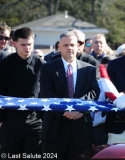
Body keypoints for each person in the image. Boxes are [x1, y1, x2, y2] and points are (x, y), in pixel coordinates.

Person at [40, 31, 100, 160]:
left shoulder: (89, 69)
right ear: (59, 46)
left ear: (78, 46)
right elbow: (46, 93)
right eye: (65, 45)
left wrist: (77, 107)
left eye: (72, 44)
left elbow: (94, 92)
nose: (69, 48)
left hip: (80, 130)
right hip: (54, 129)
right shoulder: (47, 68)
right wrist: (66, 110)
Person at [0, 27, 45, 155]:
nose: (27, 48)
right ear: (14, 43)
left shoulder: (42, 65)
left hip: (35, 122)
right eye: (23, 45)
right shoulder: (4, 65)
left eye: (30, 44)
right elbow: (1, 92)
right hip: (10, 121)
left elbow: (45, 93)